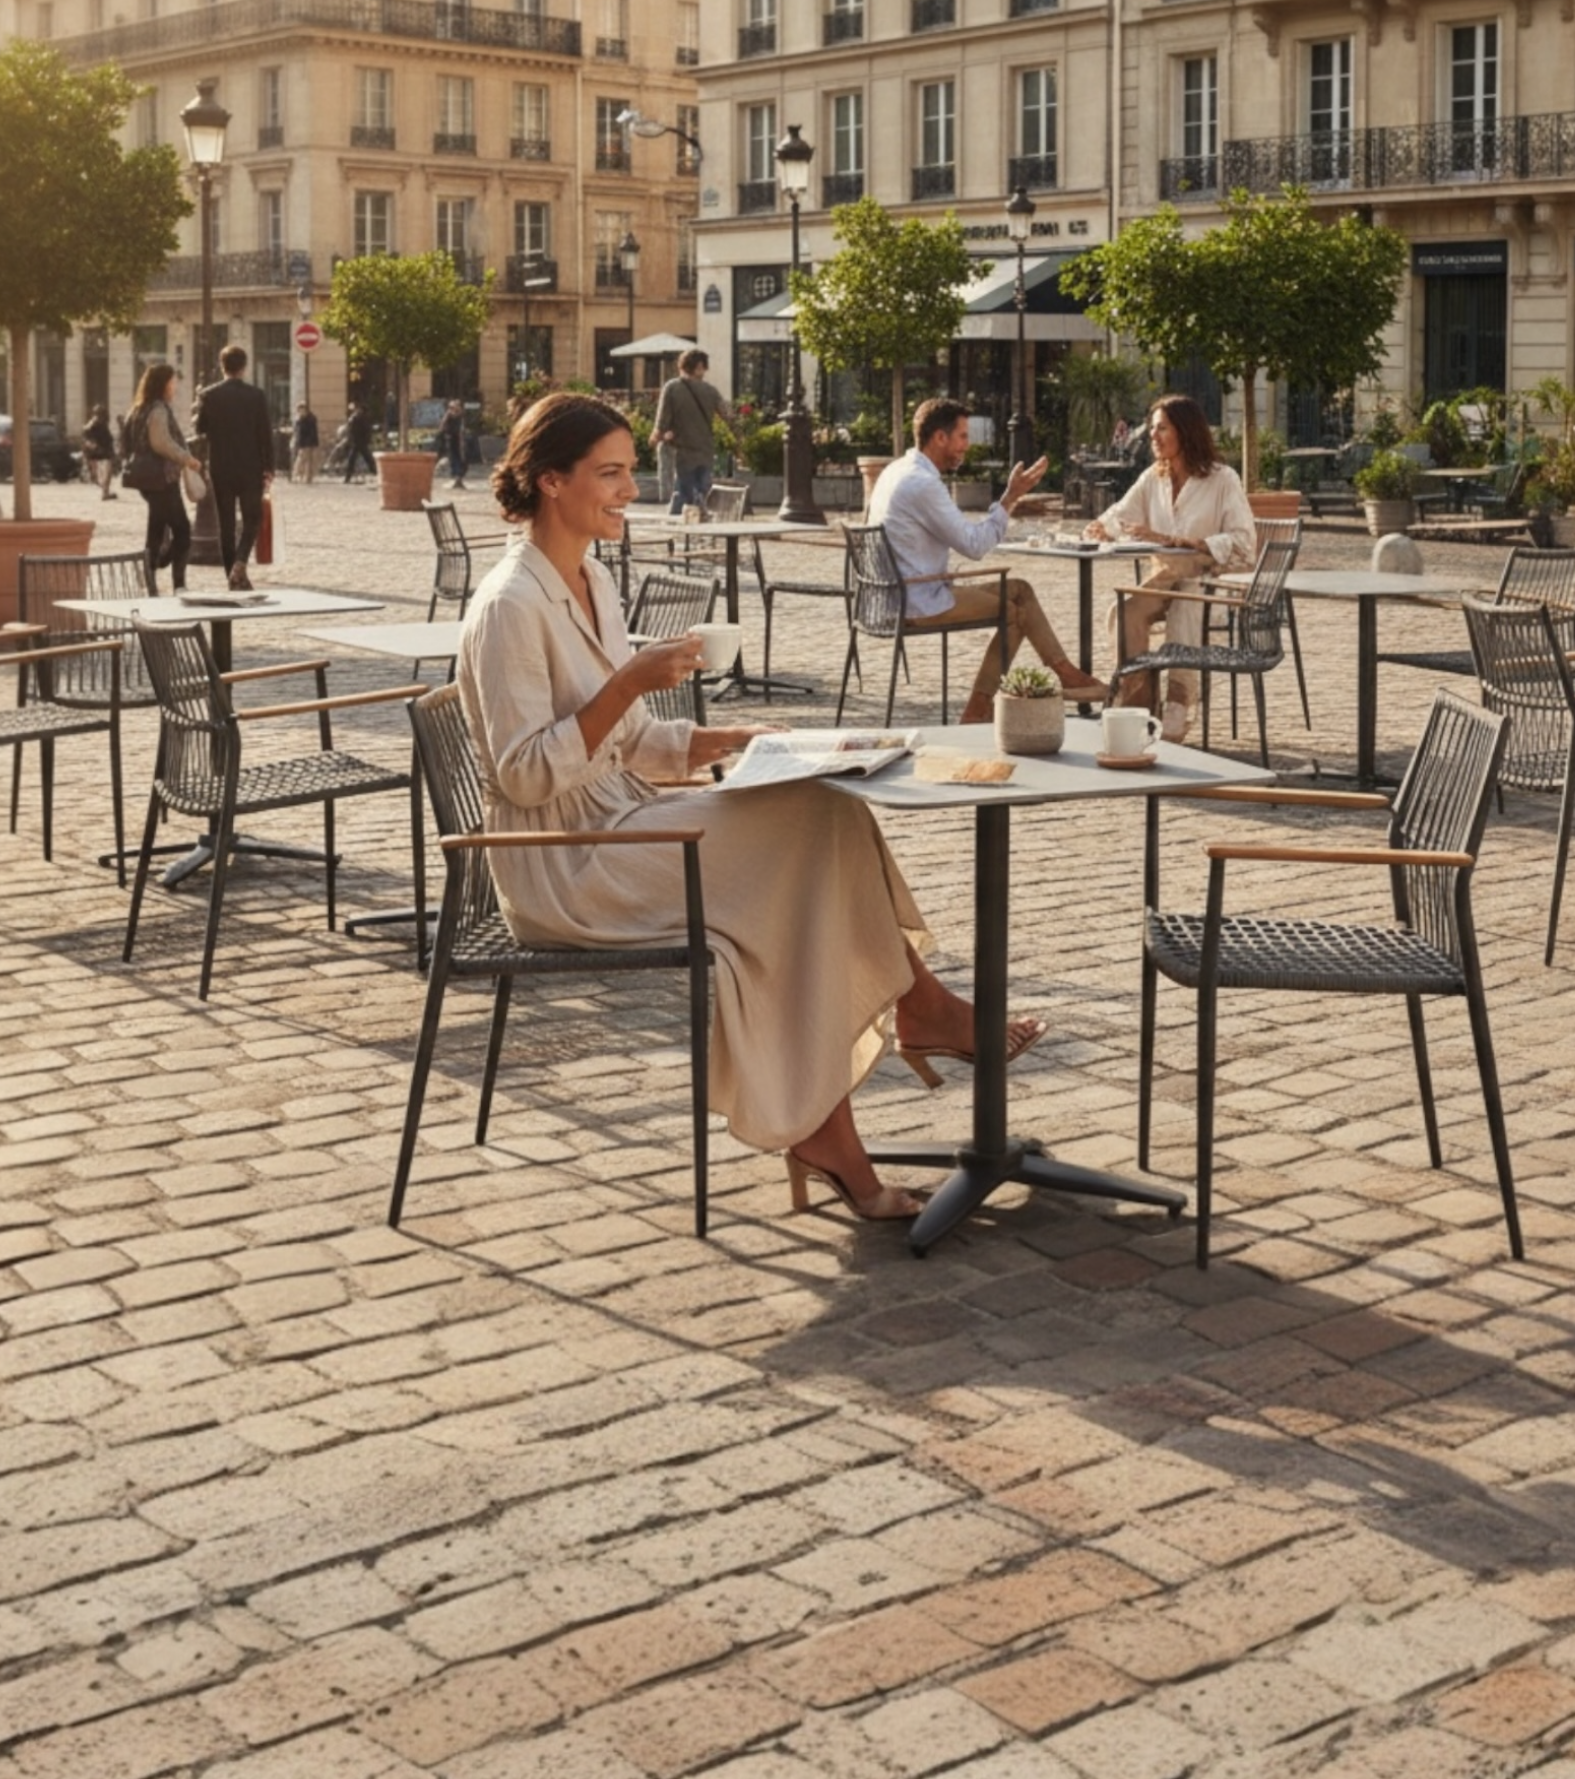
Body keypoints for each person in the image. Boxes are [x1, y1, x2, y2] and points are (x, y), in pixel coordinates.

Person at [458, 391, 1043, 1221]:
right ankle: (913, 1020)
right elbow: (523, 777)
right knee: (804, 837)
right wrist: (630, 681)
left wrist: (731, 738)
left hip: (620, 819)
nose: (633, 489)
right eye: (613, 474)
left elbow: (627, 741)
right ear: (551, 482)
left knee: (822, 809)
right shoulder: (511, 605)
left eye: (631, 470)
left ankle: (875, 1066)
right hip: (569, 862)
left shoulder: (588, 575)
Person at [866, 398, 1109, 722]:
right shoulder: (922, 483)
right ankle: (978, 708)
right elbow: (974, 545)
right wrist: (1009, 498)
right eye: (962, 437)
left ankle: (1066, 673)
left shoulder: (896, 470)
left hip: (894, 594)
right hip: (916, 600)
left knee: (1019, 589)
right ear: (939, 437)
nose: (967, 445)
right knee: (1013, 615)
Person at [1088, 395, 1256, 738]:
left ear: (1185, 431)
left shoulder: (1223, 479)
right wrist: (1099, 528)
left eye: (1161, 428)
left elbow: (1244, 543)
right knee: (1125, 612)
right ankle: (1140, 703)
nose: (1152, 436)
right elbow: (1121, 516)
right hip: (1165, 577)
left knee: (1184, 605)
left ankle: (1179, 705)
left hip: (1209, 583)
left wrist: (1183, 542)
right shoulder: (1154, 478)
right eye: (1151, 428)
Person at [194, 344, 276, 589]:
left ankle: (232, 576)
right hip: (250, 467)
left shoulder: (209, 395)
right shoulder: (256, 395)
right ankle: (240, 563)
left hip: (221, 468)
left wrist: (200, 407)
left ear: (222, 366)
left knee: (226, 525)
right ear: (244, 367)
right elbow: (265, 434)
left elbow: (200, 430)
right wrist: (269, 467)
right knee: (253, 518)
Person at [123, 364, 200, 592]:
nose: (175, 386)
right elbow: (161, 443)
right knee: (183, 530)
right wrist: (187, 459)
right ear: (163, 383)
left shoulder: (138, 409)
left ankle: (151, 580)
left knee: (156, 528)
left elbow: (126, 444)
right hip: (161, 478)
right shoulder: (158, 409)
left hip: (147, 479)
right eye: (172, 381)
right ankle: (177, 582)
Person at [652, 348, 722, 515]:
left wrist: (656, 437)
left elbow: (662, 421)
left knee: (681, 497)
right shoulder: (711, 392)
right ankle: (701, 535)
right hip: (706, 452)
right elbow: (729, 416)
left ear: (682, 366)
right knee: (701, 497)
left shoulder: (672, 388)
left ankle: (679, 536)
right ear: (701, 367)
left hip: (682, 454)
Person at [81, 403, 117, 500]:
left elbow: (86, 436)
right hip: (102, 452)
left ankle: (105, 491)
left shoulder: (94, 423)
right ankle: (105, 492)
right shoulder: (97, 423)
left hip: (99, 452)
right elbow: (88, 437)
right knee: (106, 472)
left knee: (103, 473)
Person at [342, 402, 377, 484]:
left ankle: (348, 477)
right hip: (360, 442)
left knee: (353, 460)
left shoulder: (356, 418)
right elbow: (367, 430)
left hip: (357, 442)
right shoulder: (363, 417)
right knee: (367, 458)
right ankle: (376, 472)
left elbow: (352, 430)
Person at [438, 399, 468, 490]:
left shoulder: (454, 416)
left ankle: (458, 477)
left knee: (457, 458)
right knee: (456, 458)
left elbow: (442, 427)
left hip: (456, 439)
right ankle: (458, 478)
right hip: (454, 439)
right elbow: (442, 427)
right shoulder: (456, 416)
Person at [292, 404, 321, 484]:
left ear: (305, 410)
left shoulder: (310, 419)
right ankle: (303, 477)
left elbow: (311, 432)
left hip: (307, 442)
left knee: (304, 460)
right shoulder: (301, 419)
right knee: (304, 460)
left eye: (301, 410)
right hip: (303, 442)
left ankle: (301, 476)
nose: (300, 412)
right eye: (299, 411)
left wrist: (308, 442)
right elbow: (297, 431)